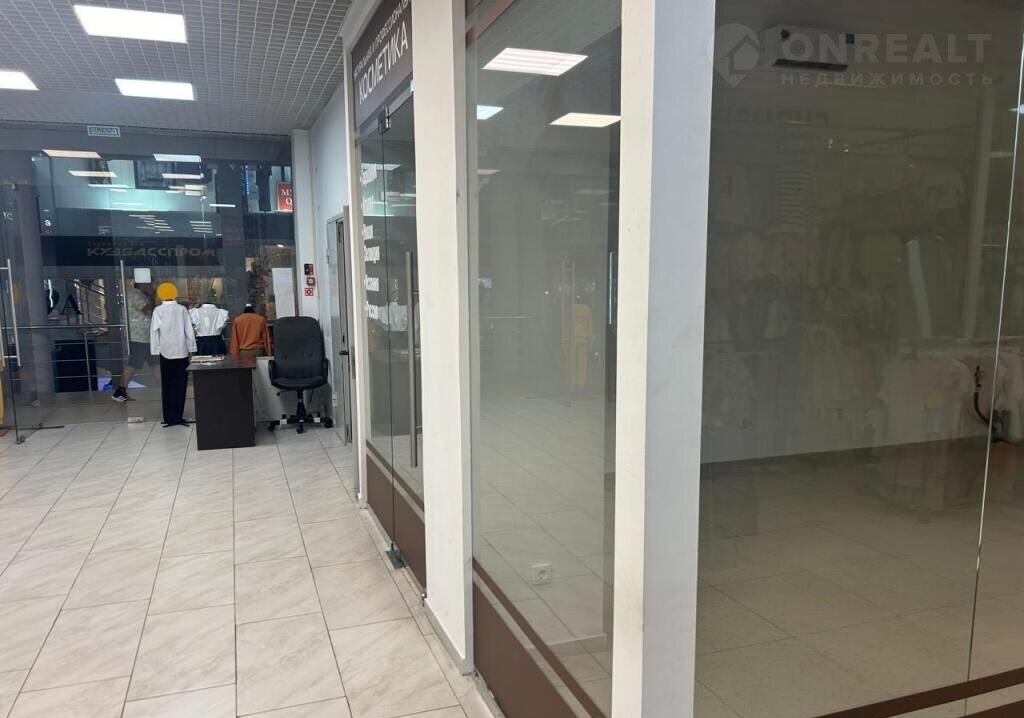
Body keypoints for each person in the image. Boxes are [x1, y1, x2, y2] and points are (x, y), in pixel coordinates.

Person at [150, 282, 196, 427]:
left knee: (167, 385)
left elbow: (154, 331)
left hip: (165, 351)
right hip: (182, 351)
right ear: (175, 294)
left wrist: (155, 349)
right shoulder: (182, 309)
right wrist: (192, 348)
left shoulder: (158, 310)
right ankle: (178, 416)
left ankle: (169, 417)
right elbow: (189, 330)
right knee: (181, 385)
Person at [111, 281, 156, 402]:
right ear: (142, 284)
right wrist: (153, 297)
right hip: (139, 337)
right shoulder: (136, 295)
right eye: (149, 285)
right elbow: (147, 310)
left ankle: (120, 391)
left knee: (155, 363)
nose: (151, 287)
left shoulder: (138, 294)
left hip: (144, 337)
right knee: (134, 364)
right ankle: (119, 391)